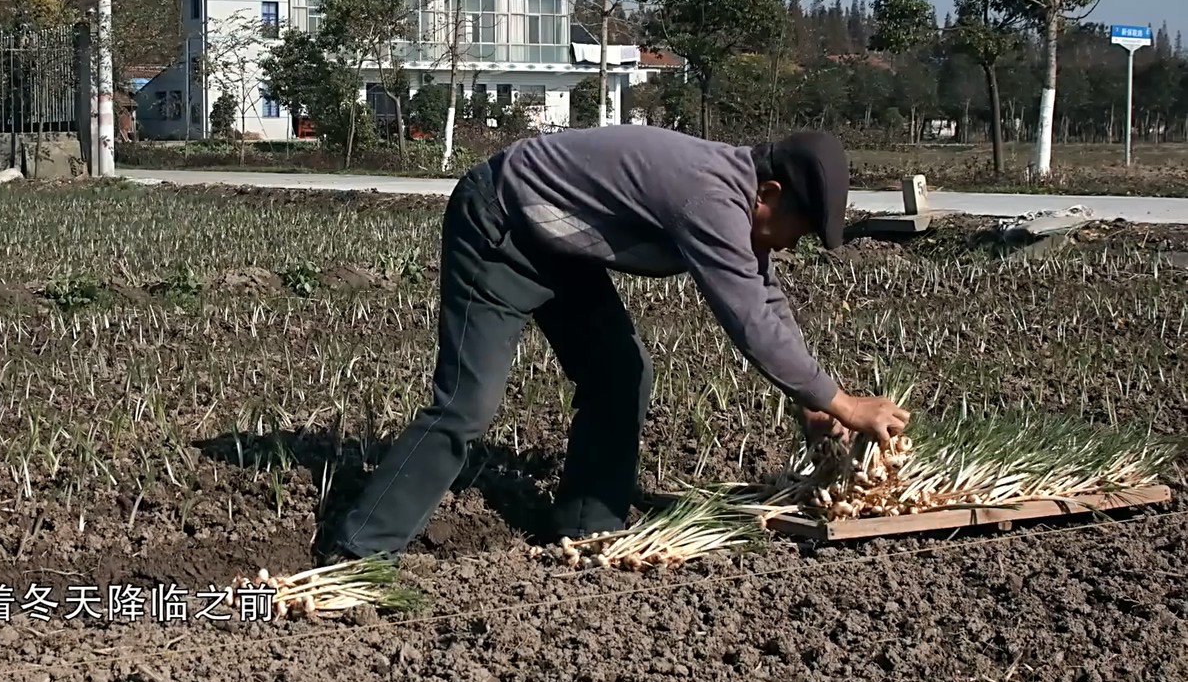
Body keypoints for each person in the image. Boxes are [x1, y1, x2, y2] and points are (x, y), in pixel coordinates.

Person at [324, 124, 911, 562]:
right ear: (772, 194)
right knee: (466, 403)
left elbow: (767, 300)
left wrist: (812, 400)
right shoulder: (710, 198)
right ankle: (358, 553)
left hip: (558, 242)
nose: (788, 245)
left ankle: (587, 526)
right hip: (500, 224)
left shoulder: (738, 197)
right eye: (799, 231)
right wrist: (845, 403)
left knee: (620, 374)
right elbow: (749, 322)